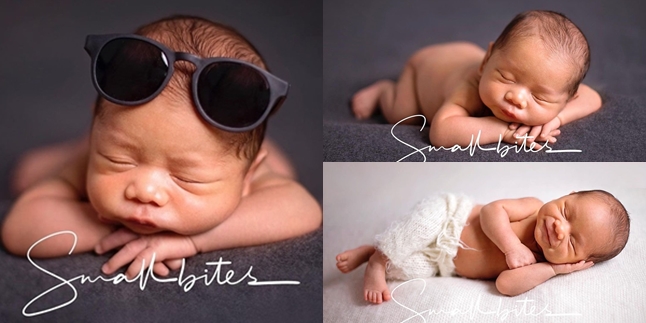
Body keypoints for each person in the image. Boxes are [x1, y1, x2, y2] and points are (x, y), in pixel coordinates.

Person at [2, 15, 321, 279]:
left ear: (249, 176)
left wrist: (194, 240)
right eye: (118, 159)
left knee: (283, 171)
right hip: (88, 146)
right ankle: (83, 145)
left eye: (187, 178)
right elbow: (19, 229)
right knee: (29, 173)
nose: (146, 191)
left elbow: (303, 209)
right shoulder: (91, 157)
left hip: (251, 157)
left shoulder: (250, 171)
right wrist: (113, 230)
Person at [351, 10, 602, 148]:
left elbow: (592, 97)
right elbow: (441, 131)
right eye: (505, 77)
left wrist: (557, 117)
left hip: (464, 53)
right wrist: (503, 131)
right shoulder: (470, 87)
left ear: (569, 97)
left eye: (539, 97)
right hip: (424, 69)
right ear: (486, 62)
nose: (516, 97)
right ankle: (385, 90)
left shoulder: (558, 85)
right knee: (402, 115)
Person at [336, 191, 629, 303]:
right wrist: (511, 245)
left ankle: (373, 252)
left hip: (444, 263)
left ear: (580, 262)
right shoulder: (533, 208)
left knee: (407, 269)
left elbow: (505, 285)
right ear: (568, 194)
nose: (559, 227)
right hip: (450, 216)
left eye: (572, 241)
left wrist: (552, 269)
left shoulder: (538, 264)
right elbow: (491, 211)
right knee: (417, 228)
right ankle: (376, 261)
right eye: (566, 212)